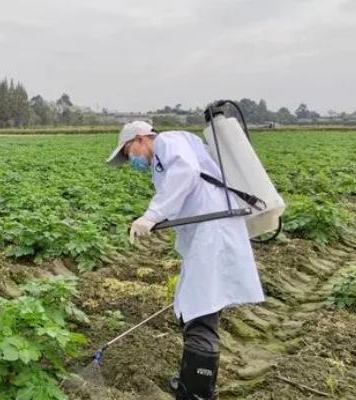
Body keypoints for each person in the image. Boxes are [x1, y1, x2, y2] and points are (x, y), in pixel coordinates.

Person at [106, 121, 265, 400]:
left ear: (141, 139)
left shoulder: (168, 142)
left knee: (200, 310)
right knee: (197, 307)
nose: (130, 160)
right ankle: (194, 382)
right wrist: (156, 217)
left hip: (212, 234)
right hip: (207, 235)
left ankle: (196, 392)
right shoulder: (163, 158)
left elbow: (186, 172)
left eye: (128, 151)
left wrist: (152, 215)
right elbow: (181, 193)